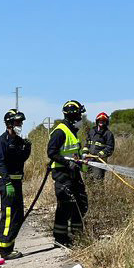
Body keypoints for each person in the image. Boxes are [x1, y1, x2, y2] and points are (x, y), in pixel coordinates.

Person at [48, 100, 89, 245]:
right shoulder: (60, 131)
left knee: (81, 204)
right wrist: (67, 163)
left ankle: (77, 236)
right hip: (62, 174)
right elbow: (51, 152)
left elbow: (72, 152)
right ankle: (60, 238)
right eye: (79, 114)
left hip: (73, 173)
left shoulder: (72, 131)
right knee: (65, 206)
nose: (81, 118)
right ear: (73, 115)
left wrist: (81, 159)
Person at [0, 109, 32, 259]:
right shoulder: (2, 141)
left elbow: (21, 159)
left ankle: (10, 245)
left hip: (16, 182)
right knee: (9, 215)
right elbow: (0, 164)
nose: (20, 124)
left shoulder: (18, 140)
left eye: (21, 122)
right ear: (9, 123)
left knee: (18, 215)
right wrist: (7, 182)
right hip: (7, 183)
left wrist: (27, 149)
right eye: (17, 122)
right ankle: (4, 250)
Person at [85, 112, 115, 180]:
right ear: (97, 121)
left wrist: (99, 154)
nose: (101, 122)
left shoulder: (108, 134)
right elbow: (87, 143)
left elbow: (110, 148)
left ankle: (99, 191)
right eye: (100, 120)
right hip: (88, 160)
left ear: (106, 122)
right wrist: (85, 153)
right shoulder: (92, 131)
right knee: (87, 180)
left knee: (98, 180)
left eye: (103, 121)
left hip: (99, 162)